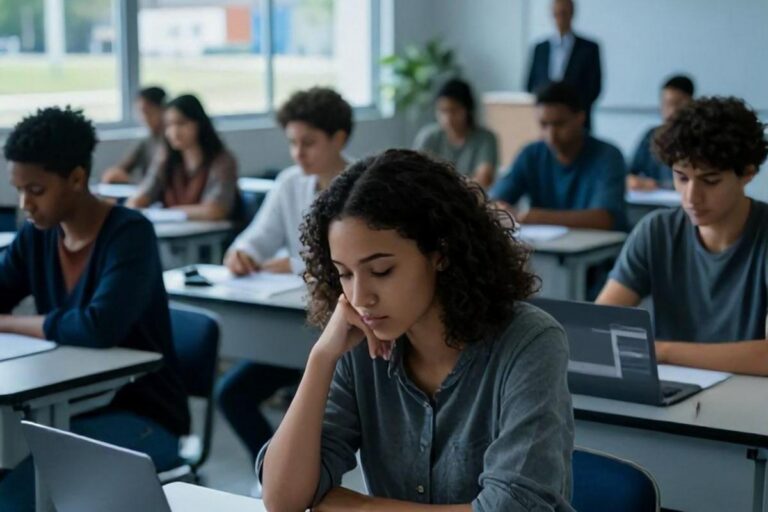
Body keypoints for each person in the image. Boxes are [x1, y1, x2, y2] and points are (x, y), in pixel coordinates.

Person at [259, 149, 574, 511]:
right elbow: (283, 499)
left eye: (381, 271)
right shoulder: (357, 343)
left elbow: (513, 509)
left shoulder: (529, 342)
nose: (361, 297)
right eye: (344, 273)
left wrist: (354, 507)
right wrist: (322, 357)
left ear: (440, 253)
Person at [0, 107, 190, 511]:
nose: (24, 205)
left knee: (16, 498)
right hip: (70, 410)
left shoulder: (129, 234)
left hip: (143, 415)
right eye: (19, 190)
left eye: (36, 190)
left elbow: (97, 326)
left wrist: (11, 322)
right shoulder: (36, 236)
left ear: (76, 179)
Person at [217, 87, 354, 461]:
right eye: (292, 142)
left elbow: (354, 268)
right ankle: (269, 472)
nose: (298, 153)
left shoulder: (364, 186)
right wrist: (241, 253)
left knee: (314, 412)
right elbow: (257, 238)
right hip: (289, 324)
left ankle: (299, 479)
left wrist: (294, 265)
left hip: (344, 331)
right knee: (231, 393)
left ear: (338, 138)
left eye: (308, 143)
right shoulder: (290, 183)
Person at [597, 97, 768, 376]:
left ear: (748, 173)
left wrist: (662, 351)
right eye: (681, 178)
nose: (691, 197)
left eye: (710, 181)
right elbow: (600, 324)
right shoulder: (656, 231)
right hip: (675, 399)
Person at [491, 81, 627, 231]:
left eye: (559, 124)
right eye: (543, 125)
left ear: (580, 118)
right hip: (546, 248)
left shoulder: (608, 156)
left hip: (599, 250)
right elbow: (495, 201)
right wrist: (500, 208)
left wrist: (535, 217)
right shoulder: (531, 154)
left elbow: (604, 219)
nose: (551, 135)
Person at [126, 94, 238, 221]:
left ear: (199, 123)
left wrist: (169, 212)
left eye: (181, 123)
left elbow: (216, 210)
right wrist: (136, 203)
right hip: (174, 234)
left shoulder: (222, 161)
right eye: (168, 125)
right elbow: (141, 197)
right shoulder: (166, 159)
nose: (174, 132)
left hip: (213, 237)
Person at [526, 0, 601, 130]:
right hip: (545, 124)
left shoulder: (589, 48)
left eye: (563, 13)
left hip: (577, 123)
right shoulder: (540, 49)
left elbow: (594, 87)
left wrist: (570, 110)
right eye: (556, 14)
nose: (560, 18)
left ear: (572, 14)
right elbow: (531, 84)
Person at [413, 78, 498, 188]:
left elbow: (483, 179)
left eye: (454, 110)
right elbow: (415, 174)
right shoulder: (429, 136)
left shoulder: (485, 139)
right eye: (442, 111)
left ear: (467, 109)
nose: (448, 118)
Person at [627, 75, 695, 191]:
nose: (672, 111)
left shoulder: (700, 137)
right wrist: (633, 181)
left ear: (691, 104)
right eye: (666, 104)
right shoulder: (651, 136)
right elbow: (629, 173)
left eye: (678, 104)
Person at [101, 86, 167, 184]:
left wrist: (131, 181)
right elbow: (117, 171)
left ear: (163, 110)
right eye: (140, 112)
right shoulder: (146, 141)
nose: (143, 117)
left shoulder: (172, 142)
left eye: (147, 112)